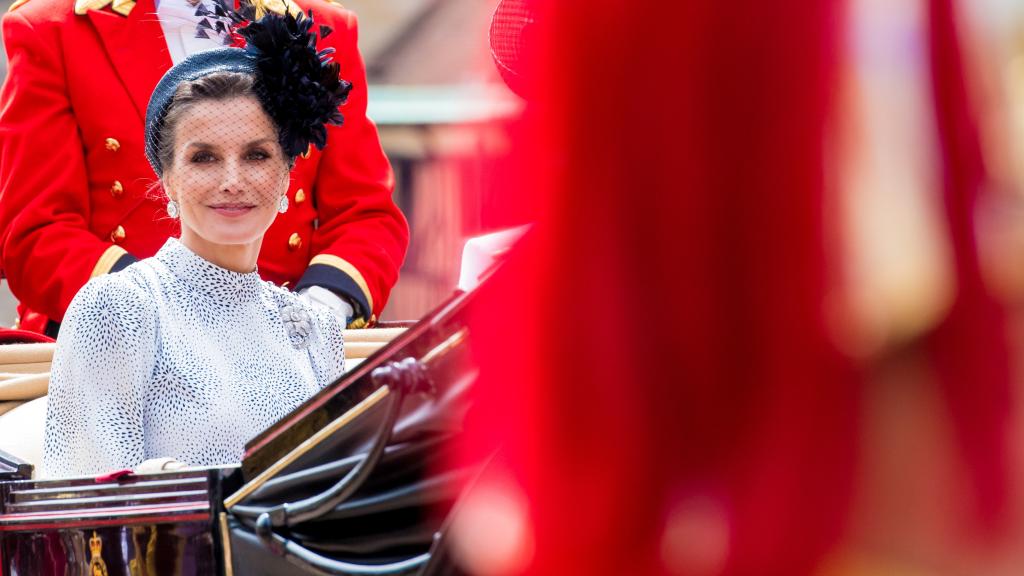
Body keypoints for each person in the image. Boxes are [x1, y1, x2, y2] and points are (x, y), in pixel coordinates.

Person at [43, 10, 351, 477]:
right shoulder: (119, 307)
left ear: (288, 173)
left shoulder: (316, 327)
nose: (232, 180)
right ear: (167, 180)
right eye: (204, 158)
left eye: (257, 155)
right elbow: (94, 508)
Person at [0, 0, 407, 336]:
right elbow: (34, 230)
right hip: (119, 339)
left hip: (288, 339)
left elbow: (365, 217)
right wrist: (156, 307)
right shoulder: (54, 29)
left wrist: (315, 311)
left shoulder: (318, 25)